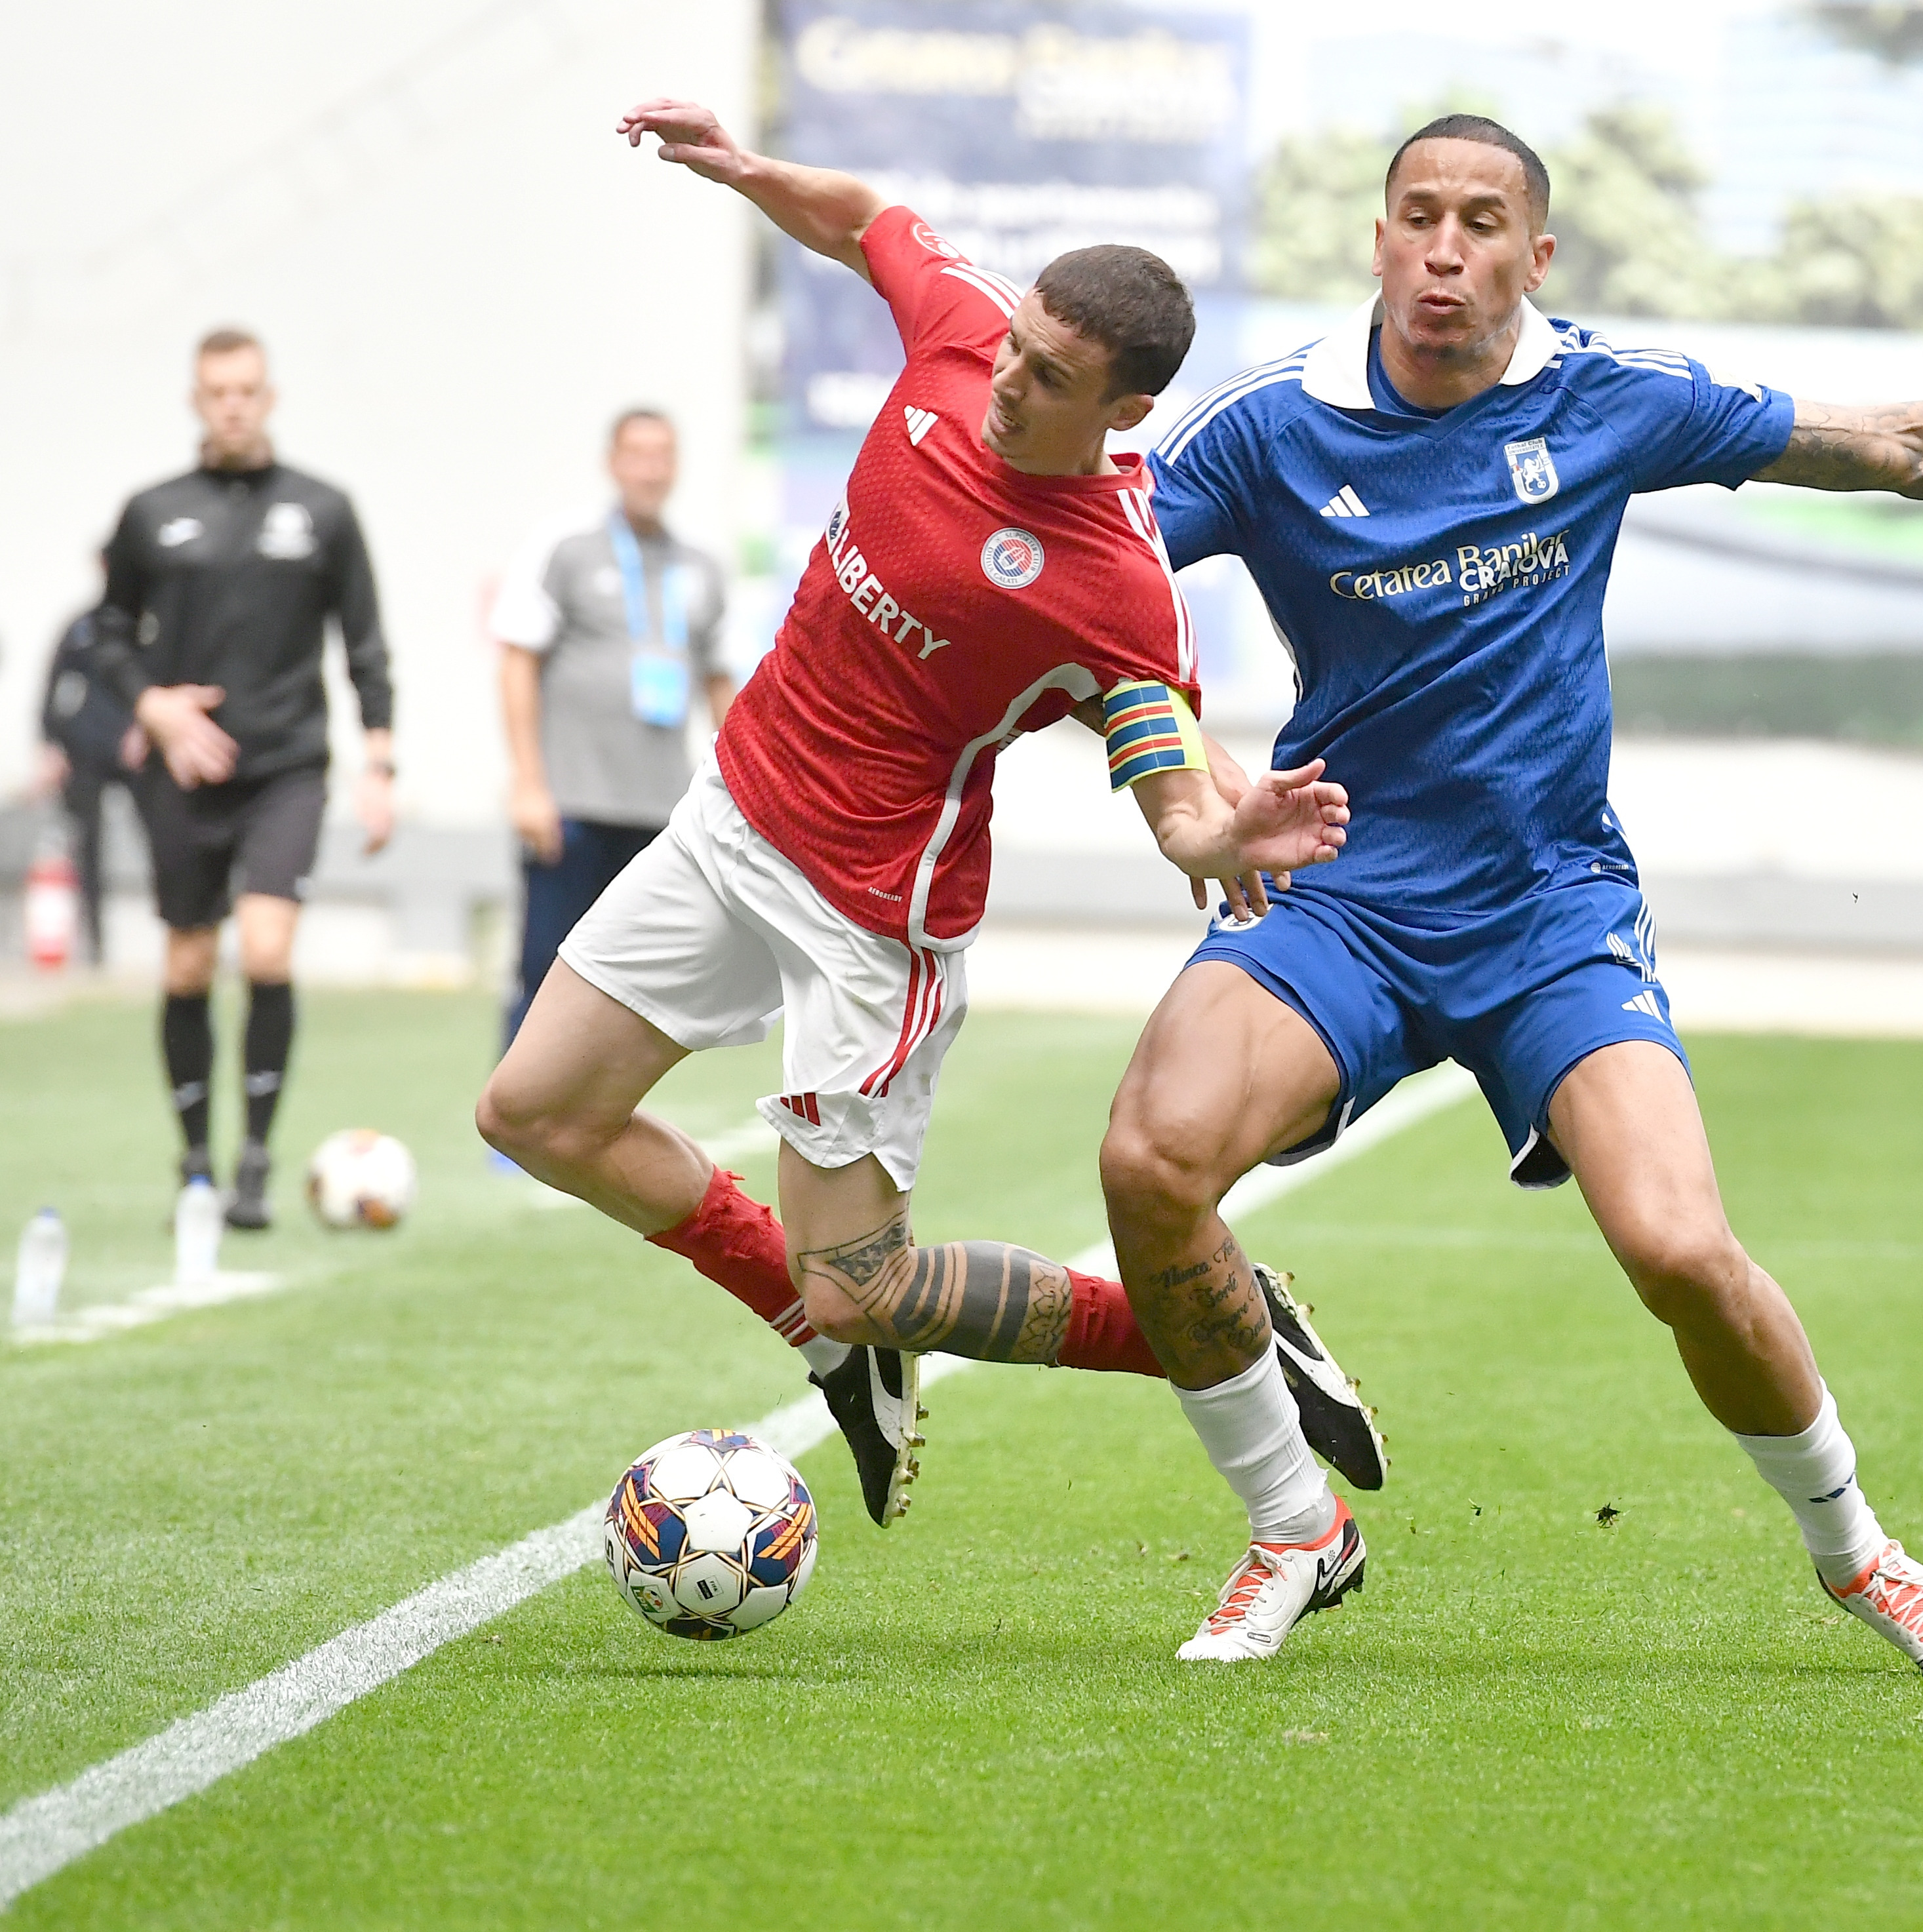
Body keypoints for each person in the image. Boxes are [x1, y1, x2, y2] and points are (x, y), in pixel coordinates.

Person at [1100, 113, 1923, 1670]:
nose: (1447, 248)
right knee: (1152, 1161)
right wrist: (1205, 792)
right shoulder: (1270, 428)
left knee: (1684, 1255)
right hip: (1345, 900)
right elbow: (1091, 575)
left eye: (1483, 222)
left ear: (1536, 254)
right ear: (1378, 240)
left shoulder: (1607, 399)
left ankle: (1865, 1559)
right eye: (1419, 217)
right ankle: (1295, 1531)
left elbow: (1910, 448)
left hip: (1549, 910)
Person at [477, 99, 1380, 1532]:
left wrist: (1224, 833)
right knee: (533, 1111)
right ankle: (836, 1336)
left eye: (1050, 374)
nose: (1007, 381)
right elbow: (861, 221)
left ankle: (1216, 1324)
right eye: (1015, 345)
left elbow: (1173, 790)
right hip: (731, 818)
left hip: (867, 919)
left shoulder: (1115, 585)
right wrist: (752, 171)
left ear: (1125, 409)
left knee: (868, 1282)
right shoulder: (965, 332)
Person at [95, 329, 397, 1229]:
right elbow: (106, 634)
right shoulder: (152, 512)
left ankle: (256, 1163)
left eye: (248, 390)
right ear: (198, 401)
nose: (233, 404)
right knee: (188, 966)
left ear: (270, 398)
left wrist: (378, 760)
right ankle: (195, 1163)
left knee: (265, 949)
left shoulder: (322, 510)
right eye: (217, 391)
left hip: (287, 767)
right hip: (184, 775)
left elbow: (366, 644)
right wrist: (152, 707)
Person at [489, 409, 736, 1051]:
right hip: (570, 800)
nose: (650, 469)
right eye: (637, 454)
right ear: (612, 462)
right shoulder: (567, 549)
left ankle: (597, 1116)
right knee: (544, 961)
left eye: (662, 455)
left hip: (659, 810)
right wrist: (528, 783)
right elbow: (517, 660)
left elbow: (719, 683)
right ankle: (512, 1110)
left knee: (634, 980)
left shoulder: (702, 568)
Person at [35, 557, 149, 968]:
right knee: (89, 849)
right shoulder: (82, 627)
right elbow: (53, 686)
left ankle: (180, 934)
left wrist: (148, 729)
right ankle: (97, 948)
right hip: (86, 749)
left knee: (164, 842)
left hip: (137, 751)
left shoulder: (149, 626)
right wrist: (49, 745)